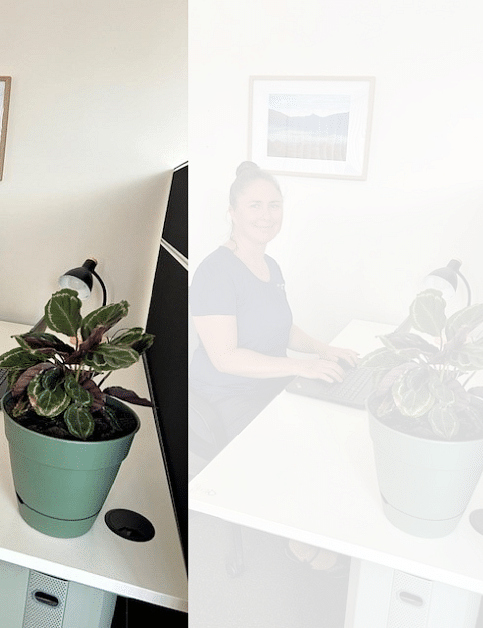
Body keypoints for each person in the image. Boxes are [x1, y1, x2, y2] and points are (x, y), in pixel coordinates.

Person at [190, 161, 359, 574]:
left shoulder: (272, 267)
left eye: (274, 205)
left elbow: (282, 326)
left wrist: (323, 349)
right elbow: (224, 357)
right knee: (296, 439)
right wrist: (300, 368)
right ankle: (297, 540)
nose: (266, 215)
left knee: (331, 423)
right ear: (232, 212)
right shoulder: (214, 272)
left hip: (269, 381)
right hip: (226, 394)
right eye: (255, 206)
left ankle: (316, 520)